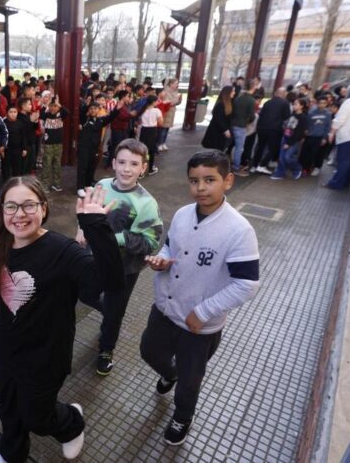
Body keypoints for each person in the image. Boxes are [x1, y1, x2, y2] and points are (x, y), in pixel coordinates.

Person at [0, 178, 124, 463]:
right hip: (7, 348)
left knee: (38, 418)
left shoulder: (63, 252)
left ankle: (72, 422)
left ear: (44, 209)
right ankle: (12, 453)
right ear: (1, 211)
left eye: (29, 205)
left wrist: (96, 225)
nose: (19, 214)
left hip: (47, 356)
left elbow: (110, 282)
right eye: (11, 206)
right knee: (9, 408)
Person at [142, 150, 260, 445]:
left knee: (190, 380)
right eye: (194, 181)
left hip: (197, 325)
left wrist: (204, 311)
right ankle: (169, 374)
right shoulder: (183, 214)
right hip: (166, 307)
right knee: (149, 351)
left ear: (228, 181)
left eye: (210, 180)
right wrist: (163, 259)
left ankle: (182, 416)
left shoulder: (239, 230)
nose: (201, 188)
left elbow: (246, 283)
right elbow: (171, 246)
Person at [79, 139, 162, 376]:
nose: (127, 169)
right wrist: (81, 227)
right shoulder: (102, 185)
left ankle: (106, 349)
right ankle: (110, 311)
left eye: (134, 164)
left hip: (124, 269)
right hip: (94, 260)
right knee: (85, 293)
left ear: (143, 168)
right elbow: (86, 210)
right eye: (122, 162)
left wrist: (116, 239)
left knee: (115, 313)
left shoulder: (146, 203)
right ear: (113, 163)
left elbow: (151, 242)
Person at [252, 87, 291, 175]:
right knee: (272, 148)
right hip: (274, 129)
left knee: (260, 147)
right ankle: (262, 165)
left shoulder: (267, 102)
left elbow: (261, 114)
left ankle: (254, 165)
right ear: (284, 94)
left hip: (262, 128)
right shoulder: (285, 103)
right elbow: (286, 117)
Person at [270, 97, 310, 181]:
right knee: (281, 157)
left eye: (296, 104)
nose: (294, 105)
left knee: (287, 157)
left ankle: (297, 168)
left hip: (294, 141)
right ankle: (280, 173)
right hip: (285, 137)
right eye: (293, 104)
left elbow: (299, 132)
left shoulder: (303, 118)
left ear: (301, 106)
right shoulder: (292, 114)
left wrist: (289, 143)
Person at [39, 99, 69, 192]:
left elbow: (67, 112)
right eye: (51, 106)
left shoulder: (61, 114)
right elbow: (41, 113)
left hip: (59, 144)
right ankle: (45, 184)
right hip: (48, 144)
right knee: (46, 164)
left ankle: (56, 184)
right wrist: (47, 105)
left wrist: (59, 104)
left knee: (57, 164)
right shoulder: (46, 115)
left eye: (55, 106)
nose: (53, 108)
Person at [300, 95, 333, 176]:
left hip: (320, 137)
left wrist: (325, 138)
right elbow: (307, 125)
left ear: (326, 104)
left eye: (324, 103)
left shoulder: (328, 114)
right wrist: (305, 135)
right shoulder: (311, 113)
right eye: (320, 103)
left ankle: (317, 167)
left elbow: (327, 127)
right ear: (317, 104)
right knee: (306, 153)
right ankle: (305, 168)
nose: (322, 105)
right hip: (310, 136)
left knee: (318, 154)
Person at [230, 79, 256, 176]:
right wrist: (248, 122)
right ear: (253, 88)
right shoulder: (251, 100)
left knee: (234, 146)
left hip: (234, 124)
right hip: (241, 126)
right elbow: (252, 116)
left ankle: (235, 163)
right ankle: (236, 167)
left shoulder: (238, 98)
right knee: (239, 148)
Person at [136, 95, 163, 176]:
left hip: (143, 131)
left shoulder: (142, 110)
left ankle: (140, 172)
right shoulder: (156, 111)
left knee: (142, 151)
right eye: (157, 101)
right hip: (152, 131)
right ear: (154, 102)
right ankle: (150, 169)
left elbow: (139, 122)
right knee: (151, 151)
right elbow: (161, 123)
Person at [201, 86, 234, 152]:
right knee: (215, 151)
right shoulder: (221, 104)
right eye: (233, 91)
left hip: (220, 133)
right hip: (216, 133)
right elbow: (219, 119)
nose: (234, 93)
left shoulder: (228, 103)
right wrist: (225, 130)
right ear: (228, 93)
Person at [157, 78, 182, 152]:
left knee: (167, 129)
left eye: (177, 83)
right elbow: (168, 102)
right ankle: (159, 143)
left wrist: (179, 100)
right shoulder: (165, 92)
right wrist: (176, 98)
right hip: (166, 112)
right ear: (170, 84)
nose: (177, 85)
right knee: (163, 129)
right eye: (175, 83)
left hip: (171, 112)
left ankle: (163, 142)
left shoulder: (175, 92)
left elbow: (175, 103)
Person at [4, 106, 28, 178]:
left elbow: (23, 136)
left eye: (15, 112)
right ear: (7, 113)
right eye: (10, 112)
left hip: (17, 149)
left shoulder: (20, 123)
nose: (13, 114)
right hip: (6, 150)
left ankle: (16, 183)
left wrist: (24, 148)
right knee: (6, 168)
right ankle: (6, 183)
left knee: (17, 168)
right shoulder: (4, 123)